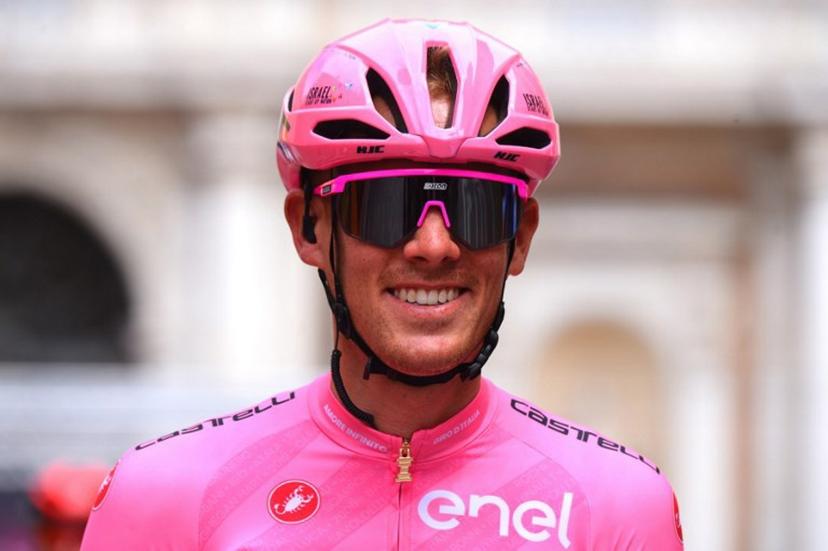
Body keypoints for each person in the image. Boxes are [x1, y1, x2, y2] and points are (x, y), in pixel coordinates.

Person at [81, 19, 684, 550]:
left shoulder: (617, 509)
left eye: (474, 206)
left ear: (520, 236)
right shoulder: (166, 495)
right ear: (310, 228)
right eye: (387, 204)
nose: (433, 246)